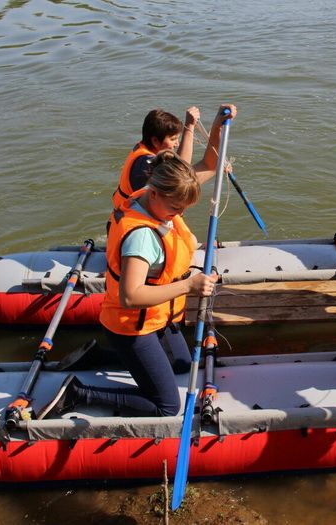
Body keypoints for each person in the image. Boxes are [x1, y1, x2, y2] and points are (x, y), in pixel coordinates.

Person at [39, 149, 222, 419]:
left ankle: (97, 356)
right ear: (155, 193)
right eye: (175, 208)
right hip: (131, 326)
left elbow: (208, 166)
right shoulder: (142, 237)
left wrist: (217, 125)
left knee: (182, 364)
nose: (179, 214)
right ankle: (77, 393)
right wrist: (189, 286)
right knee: (168, 406)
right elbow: (131, 296)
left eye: (183, 209)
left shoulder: (148, 199)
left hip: (156, 318)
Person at [112, 105, 237, 210]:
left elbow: (210, 165)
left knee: (212, 168)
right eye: (173, 139)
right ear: (155, 141)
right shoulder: (144, 165)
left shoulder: (159, 162)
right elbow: (182, 175)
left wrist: (217, 127)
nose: (177, 144)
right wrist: (189, 127)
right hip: (136, 228)